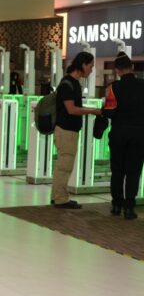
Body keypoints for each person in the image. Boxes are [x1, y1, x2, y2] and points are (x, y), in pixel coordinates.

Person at [52, 51, 102, 209]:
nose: (92, 70)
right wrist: (93, 111)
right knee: (65, 166)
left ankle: (57, 196)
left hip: (69, 131)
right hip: (66, 131)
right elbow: (72, 109)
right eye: (91, 66)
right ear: (83, 65)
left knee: (63, 165)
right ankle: (60, 199)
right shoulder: (68, 84)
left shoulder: (74, 83)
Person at [102, 53, 144, 220]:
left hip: (119, 133)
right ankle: (129, 208)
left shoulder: (113, 88)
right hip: (139, 134)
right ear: (132, 67)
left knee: (117, 170)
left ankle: (116, 205)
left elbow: (110, 112)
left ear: (117, 70)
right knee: (134, 171)